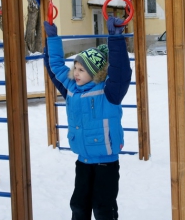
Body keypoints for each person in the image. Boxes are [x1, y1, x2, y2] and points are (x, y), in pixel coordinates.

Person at [43, 16, 132, 220]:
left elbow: (121, 73)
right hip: (83, 161)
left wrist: (116, 39)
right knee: (78, 206)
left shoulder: (110, 93)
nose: (75, 73)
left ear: (96, 74)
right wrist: (52, 39)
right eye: (75, 67)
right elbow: (55, 67)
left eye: (81, 70)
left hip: (106, 163)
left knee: (103, 208)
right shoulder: (71, 90)